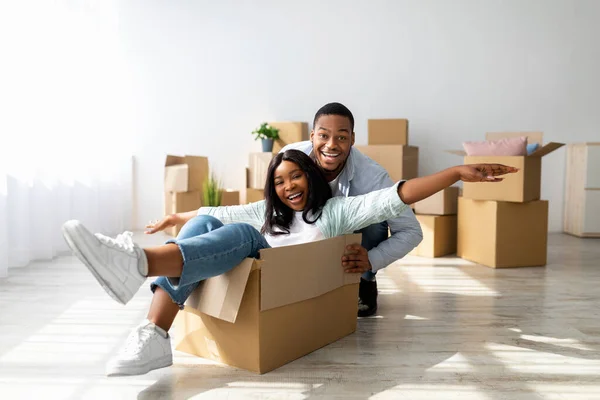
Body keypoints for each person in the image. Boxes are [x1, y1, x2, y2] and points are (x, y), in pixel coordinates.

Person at [62, 149, 516, 377]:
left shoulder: (337, 212)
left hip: (281, 284)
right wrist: (179, 216)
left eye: (296, 175)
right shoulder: (267, 214)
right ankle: (156, 334)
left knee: (240, 235)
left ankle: (136, 262)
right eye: (279, 181)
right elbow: (213, 213)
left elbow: (396, 195)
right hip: (253, 275)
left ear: (312, 177)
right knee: (205, 227)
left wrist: (456, 174)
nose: (288, 186)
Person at [281, 102, 422, 317]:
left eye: (341, 137)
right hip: (308, 237)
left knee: (375, 217)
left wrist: (372, 259)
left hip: (353, 244)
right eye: (323, 136)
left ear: (352, 140)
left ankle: (365, 279)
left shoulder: (373, 177)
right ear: (312, 136)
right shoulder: (288, 160)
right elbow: (273, 209)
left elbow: (412, 231)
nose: (331, 145)